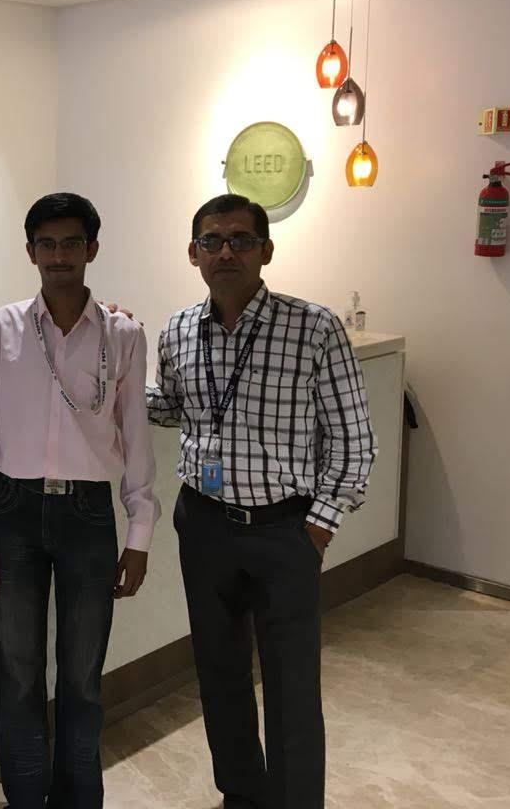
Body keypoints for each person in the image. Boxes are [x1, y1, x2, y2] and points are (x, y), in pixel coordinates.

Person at [147, 194, 377, 809]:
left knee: (292, 684)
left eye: (241, 240)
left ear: (265, 251)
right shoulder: (177, 331)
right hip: (203, 526)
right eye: (212, 240)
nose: (226, 251)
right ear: (192, 252)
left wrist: (318, 526)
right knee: (219, 674)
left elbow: (355, 441)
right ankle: (241, 796)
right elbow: (170, 408)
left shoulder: (313, 328)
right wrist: (107, 370)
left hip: (284, 530)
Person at [0, 191, 158, 809]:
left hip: (88, 515)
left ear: (92, 248)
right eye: (46, 244)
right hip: (14, 513)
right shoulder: (1, 330)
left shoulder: (123, 334)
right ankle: (27, 798)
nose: (58, 256)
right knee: (18, 673)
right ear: (30, 252)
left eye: (71, 243)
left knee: (81, 677)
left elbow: (136, 437)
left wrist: (140, 534)